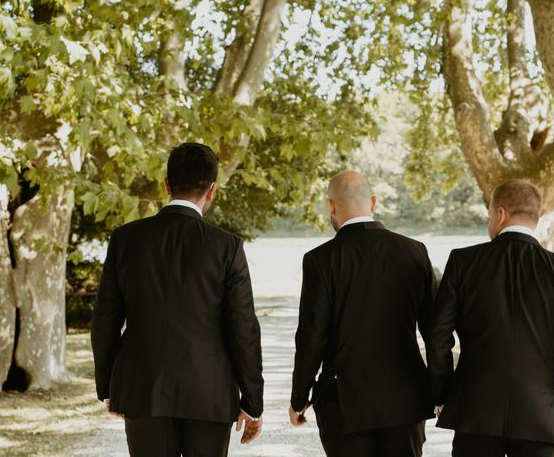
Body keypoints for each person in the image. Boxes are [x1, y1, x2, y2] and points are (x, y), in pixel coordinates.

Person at [91, 142, 264, 457]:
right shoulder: (227, 247)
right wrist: (252, 403)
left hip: (144, 388)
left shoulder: (126, 240)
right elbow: (243, 328)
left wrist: (109, 388)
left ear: (167, 185)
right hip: (209, 393)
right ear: (212, 190)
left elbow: (104, 320)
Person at [427, 180, 554, 456]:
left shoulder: (463, 263)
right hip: (539, 416)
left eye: (489, 216)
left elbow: (438, 336)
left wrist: (443, 396)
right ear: (536, 217)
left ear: (500, 214)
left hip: (475, 411)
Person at [289, 170, 436, 457]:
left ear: (331, 206)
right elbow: (434, 330)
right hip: (405, 401)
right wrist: (441, 392)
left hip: (345, 404)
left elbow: (312, 337)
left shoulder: (321, 260)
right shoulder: (414, 252)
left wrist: (299, 398)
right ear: (373, 202)